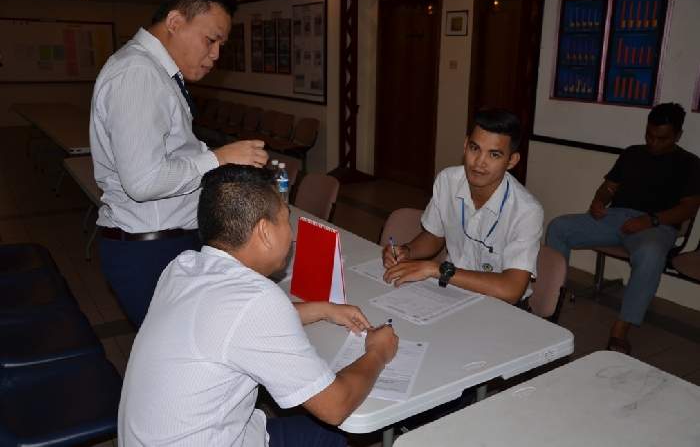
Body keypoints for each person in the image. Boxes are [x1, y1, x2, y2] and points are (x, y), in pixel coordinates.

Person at [118, 164, 399, 447]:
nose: (291, 235)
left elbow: (236, 323)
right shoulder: (256, 301)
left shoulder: (183, 266)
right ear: (264, 231)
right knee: (333, 434)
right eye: (286, 221)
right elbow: (335, 406)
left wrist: (324, 310)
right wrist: (377, 352)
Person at [90, 0, 268, 327]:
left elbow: (168, 155)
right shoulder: (138, 74)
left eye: (221, 45)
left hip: (162, 242)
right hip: (150, 251)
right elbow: (143, 182)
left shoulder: (154, 72)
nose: (215, 54)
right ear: (175, 22)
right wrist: (218, 158)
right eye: (210, 40)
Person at [546, 102, 700, 354]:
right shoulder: (632, 153)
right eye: (649, 135)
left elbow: (689, 209)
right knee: (559, 227)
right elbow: (608, 187)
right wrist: (598, 201)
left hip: (657, 226)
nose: (653, 143)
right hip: (616, 218)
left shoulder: (690, 163)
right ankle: (552, 302)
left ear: (678, 135)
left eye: (662, 138)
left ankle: (621, 328)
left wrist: (650, 220)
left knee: (651, 254)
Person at [382, 108, 544, 305]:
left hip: (499, 304)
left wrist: (436, 269)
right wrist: (407, 251)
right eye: (475, 149)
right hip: (452, 289)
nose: (479, 163)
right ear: (465, 145)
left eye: (494, 155)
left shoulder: (527, 211)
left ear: (511, 161)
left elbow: (511, 289)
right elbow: (434, 236)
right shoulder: (447, 180)